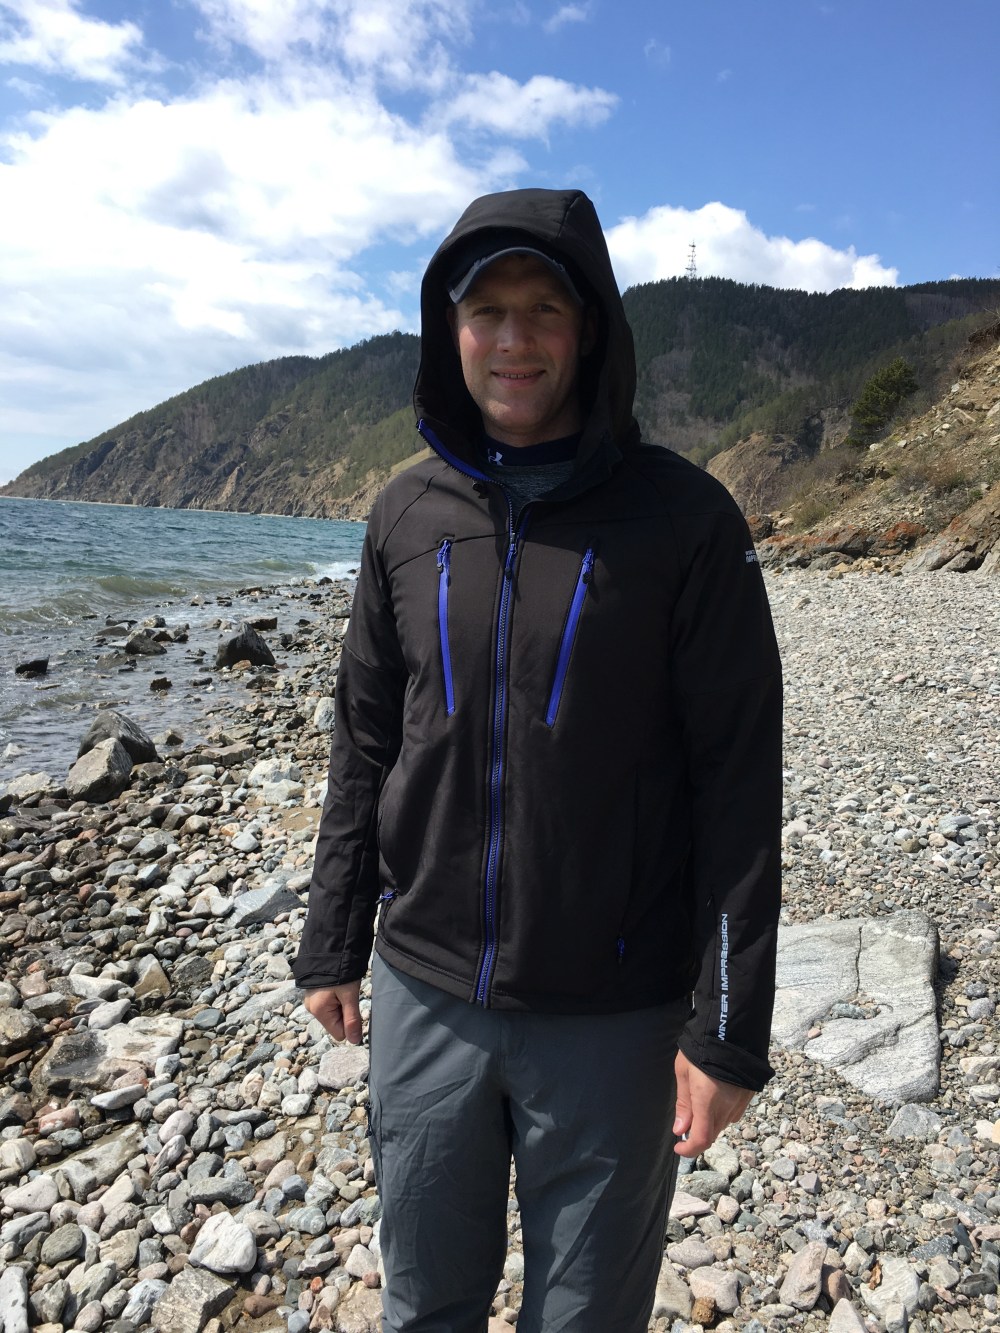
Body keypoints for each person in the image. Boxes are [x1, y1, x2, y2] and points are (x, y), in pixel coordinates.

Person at [293, 187, 783, 1332]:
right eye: (487, 311)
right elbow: (365, 738)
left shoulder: (685, 520)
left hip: (613, 1010)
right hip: (426, 990)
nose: (513, 339)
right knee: (425, 1303)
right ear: (450, 329)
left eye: (543, 309)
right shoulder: (405, 514)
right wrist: (332, 938)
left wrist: (726, 1029)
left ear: (590, 327)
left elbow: (736, 781)